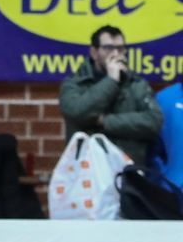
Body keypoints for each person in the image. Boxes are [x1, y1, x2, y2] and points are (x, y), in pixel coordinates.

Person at [59, 25, 164, 166]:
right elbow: (76, 113)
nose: (115, 53)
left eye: (120, 48)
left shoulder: (136, 84)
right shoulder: (75, 83)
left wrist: (104, 121)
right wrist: (111, 80)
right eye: (108, 48)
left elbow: (153, 122)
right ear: (94, 52)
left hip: (128, 170)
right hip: (87, 171)